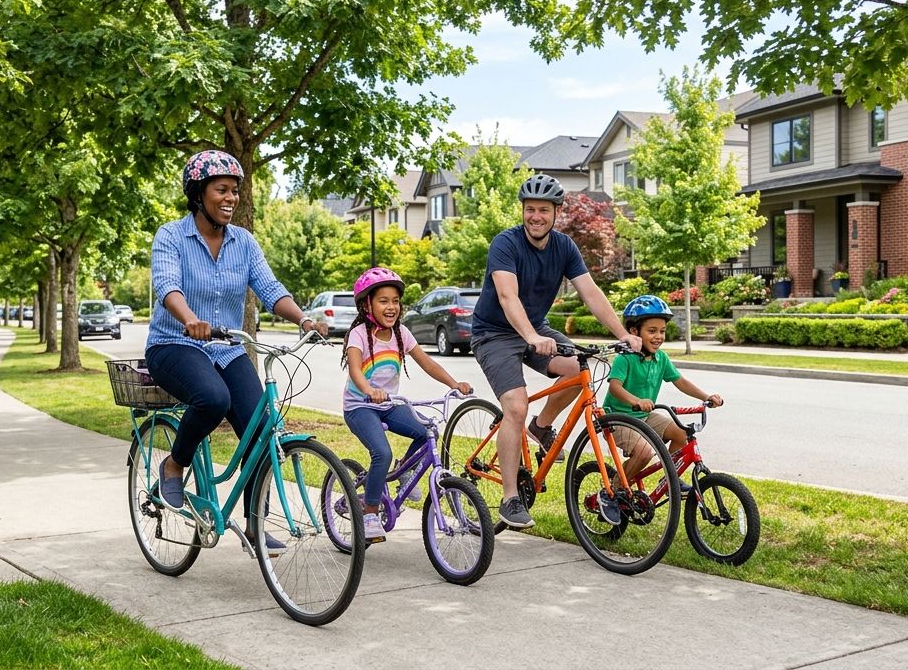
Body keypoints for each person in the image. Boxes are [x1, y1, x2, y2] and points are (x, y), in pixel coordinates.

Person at [145, 149, 327, 557]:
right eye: (221, 190)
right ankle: (174, 466)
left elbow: (270, 288)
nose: (230, 198)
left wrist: (304, 320)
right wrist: (189, 318)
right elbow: (167, 286)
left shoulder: (243, 242)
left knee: (262, 427)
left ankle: (256, 524)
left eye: (235, 192)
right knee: (212, 399)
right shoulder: (171, 236)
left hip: (226, 350)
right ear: (199, 194)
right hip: (174, 344)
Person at [470, 174, 642, 529]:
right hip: (495, 333)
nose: (536, 216)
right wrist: (531, 335)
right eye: (530, 209)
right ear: (523, 211)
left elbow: (591, 293)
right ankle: (510, 498)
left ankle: (542, 425)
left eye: (543, 210)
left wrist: (623, 333)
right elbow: (507, 296)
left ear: (555, 213)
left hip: (536, 331)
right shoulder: (505, 243)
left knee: (584, 368)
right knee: (515, 405)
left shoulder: (564, 247)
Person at [341, 267, 472, 545]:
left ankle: (405, 470)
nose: (391, 307)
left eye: (395, 301)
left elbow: (428, 363)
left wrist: (453, 383)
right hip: (360, 406)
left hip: (389, 404)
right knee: (381, 452)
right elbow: (354, 369)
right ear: (367, 305)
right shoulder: (359, 335)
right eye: (383, 300)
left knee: (427, 431)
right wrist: (369, 390)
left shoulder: (401, 333)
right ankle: (370, 514)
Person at [605, 295, 723, 482]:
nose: (659, 336)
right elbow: (614, 388)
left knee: (681, 434)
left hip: (644, 416)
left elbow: (680, 381)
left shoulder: (661, 358)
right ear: (634, 331)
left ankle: (670, 482)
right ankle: (612, 491)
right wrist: (636, 401)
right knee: (644, 453)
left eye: (662, 331)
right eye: (652, 331)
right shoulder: (624, 358)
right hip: (618, 418)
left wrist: (707, 396)